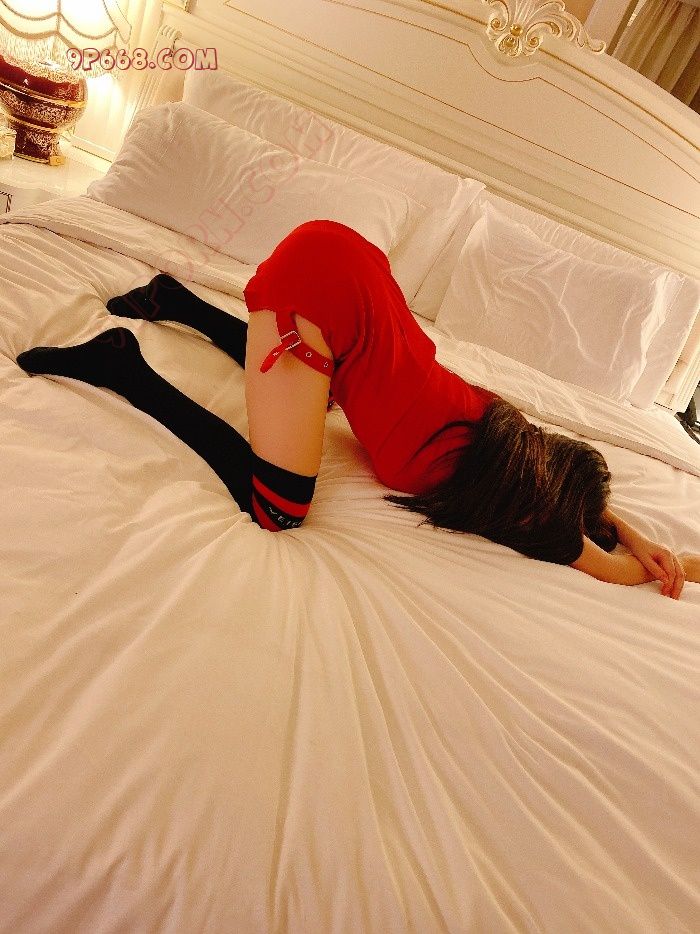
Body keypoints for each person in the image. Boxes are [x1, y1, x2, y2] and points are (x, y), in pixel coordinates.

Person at [16, 219, 699, 599]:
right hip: (320, 296)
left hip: (344, 265)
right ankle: (122, 367)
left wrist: (631, 529)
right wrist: (665, 559)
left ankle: (175, 302)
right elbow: (615, 568)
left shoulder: (510, 428)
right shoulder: (527, 508)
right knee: (276, 508)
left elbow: (582, 495)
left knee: (330, 395)